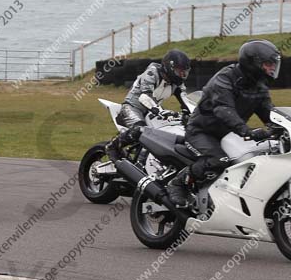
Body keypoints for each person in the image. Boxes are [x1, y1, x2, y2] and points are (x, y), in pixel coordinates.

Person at [166, 39, 281, 208]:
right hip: (202, 132)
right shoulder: (225, 78)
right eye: (268, 64)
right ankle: (178, 183)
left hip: (229, 135)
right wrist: (247, 131)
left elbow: (269, 113)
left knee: (256, 157)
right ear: (253, 63)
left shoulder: (259, 87)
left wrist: (281, 128)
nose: (272, 68)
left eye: (274, 64)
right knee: (218, 160)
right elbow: (223, 108)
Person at [106, 49, 191, 160]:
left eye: (184, 71)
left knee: (162, 134)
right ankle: (113, 146)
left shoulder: (177, 83)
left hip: (152, 110)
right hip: (133, 107)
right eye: (179, 70)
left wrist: (194, 113)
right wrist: (158, 110)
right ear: (169, 67)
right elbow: (144, 96)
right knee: (140, 131)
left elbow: (186, 100)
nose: (182, 74)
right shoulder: (152, 73)